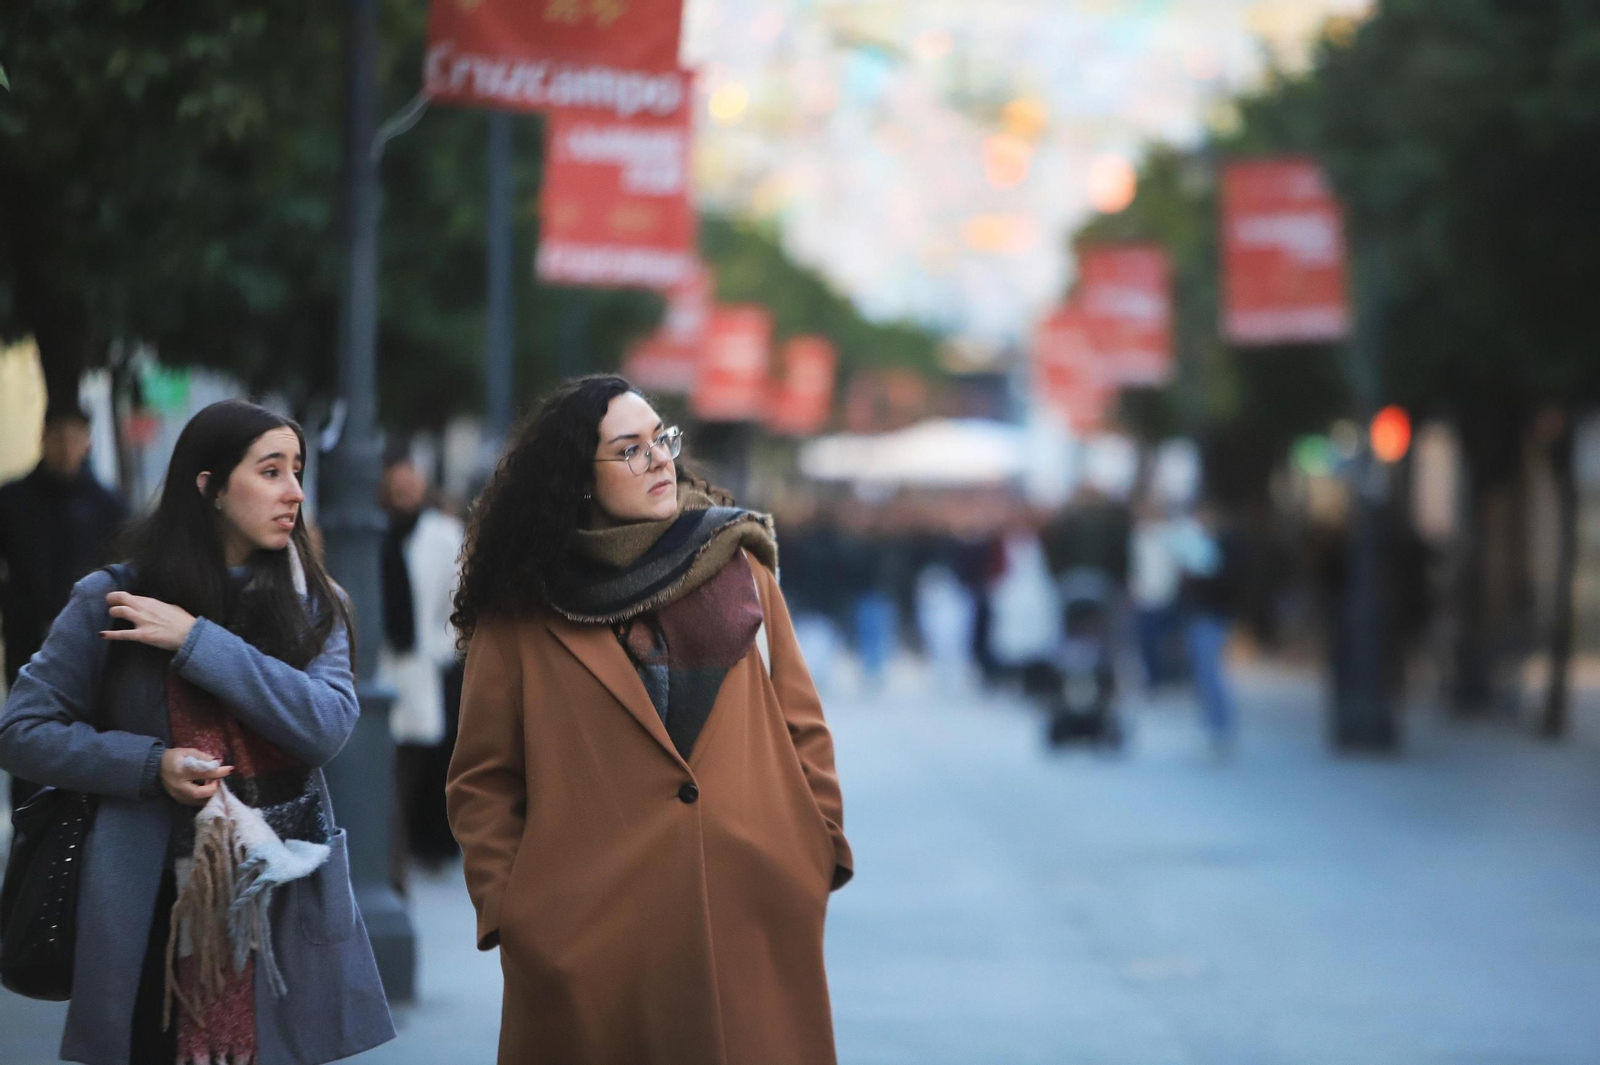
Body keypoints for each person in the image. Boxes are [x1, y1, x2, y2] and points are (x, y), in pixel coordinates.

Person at [447, 375, 852, 1065]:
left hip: (749, 908)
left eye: (661, 438)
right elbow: (482, 779)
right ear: (578, 477)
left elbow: (799, 717)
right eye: (629, 449)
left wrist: (816, 846)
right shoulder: (520, 608)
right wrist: (518, 913)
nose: (660, 458)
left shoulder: (736, 561)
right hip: (589, 935)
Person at [0, 400, 395, 1065]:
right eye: (270, 470)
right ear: (209, 486)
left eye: (296, 469)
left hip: (280, 907)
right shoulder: (115, 599)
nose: (293, 490)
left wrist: (195, 640)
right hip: (148, 905)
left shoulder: (318, 604)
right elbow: (22, 731)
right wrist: (148, 763)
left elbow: (325, 726)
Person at [0, 402, 128, 810]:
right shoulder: (12, 500)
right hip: (27, 635)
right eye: (58, 435)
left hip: (93, 642)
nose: (67, 446)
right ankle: (27, 827)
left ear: (88, 441)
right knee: (28, 728)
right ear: (43, 437)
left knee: (86, 732)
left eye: (76, 436)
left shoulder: (107, 504)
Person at [377, 451, 466, 875]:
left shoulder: (443, 534)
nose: (403, 491)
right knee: (386, 774)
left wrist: (442, 649)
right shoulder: (373, 532)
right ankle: (393, 865)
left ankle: (404, 861)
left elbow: (458, 601)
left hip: (424, 668)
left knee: (418, 766)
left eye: (410, 483)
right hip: (379, 667)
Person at [1173, 501, 1242, 753]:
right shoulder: (1206, 542)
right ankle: (1214, 722)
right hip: (1202, 613)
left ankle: (1219, 725)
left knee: (1209, 671)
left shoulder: (1224, 544)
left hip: (1211, 613)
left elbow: (1225, 581)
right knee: (1204, 670)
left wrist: (1197, 577)